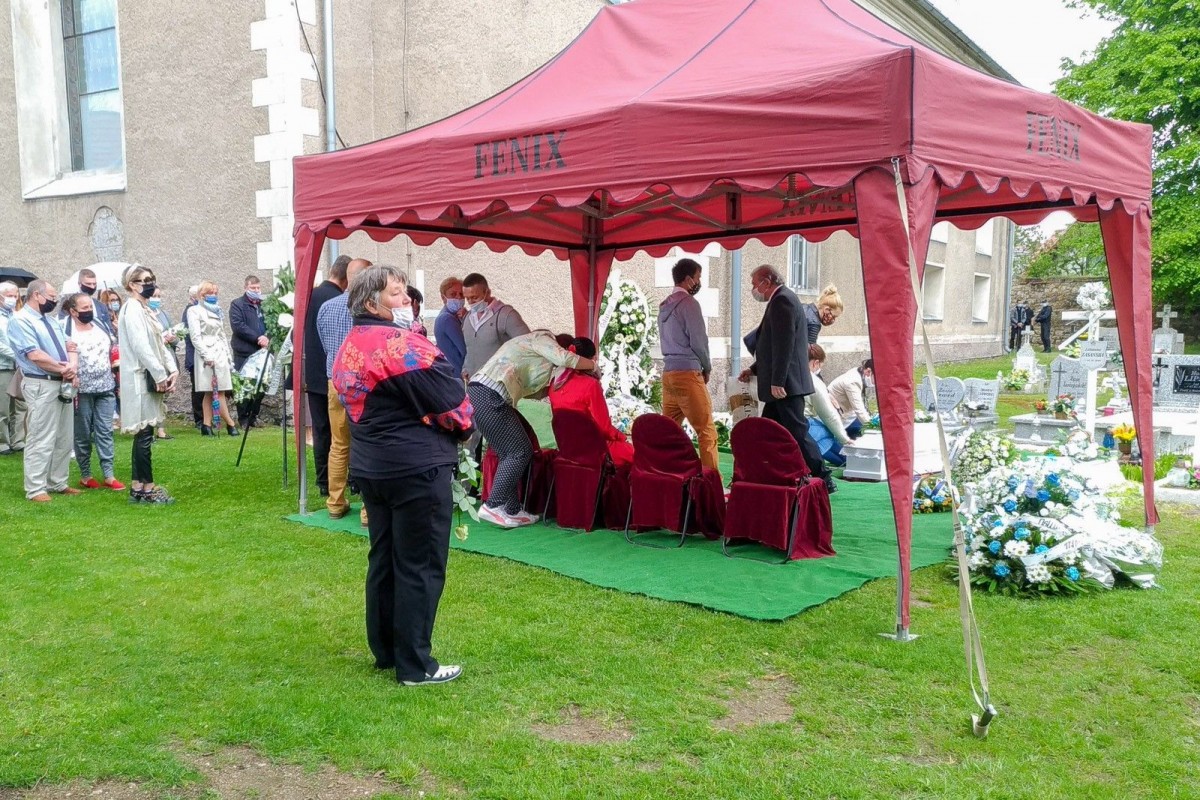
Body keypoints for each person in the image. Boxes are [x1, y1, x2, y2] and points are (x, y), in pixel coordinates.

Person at [330, 264, 474, 686]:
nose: (407, 300)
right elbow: (453, 405)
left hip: (374, 468)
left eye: (406, 293)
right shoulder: (401, 346)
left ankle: (388, 651)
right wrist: (463, 427)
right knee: (420, 564)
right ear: (372, 302)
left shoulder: (350, 343)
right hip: (415, 468)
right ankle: (416, 664)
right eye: (396, 294)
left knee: (385, 559)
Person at [468, 330, 593, 528]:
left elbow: (534, 391)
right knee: (521, 450)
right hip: (490, 394)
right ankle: (493, 505)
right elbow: (566, 358)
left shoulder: (537, 358)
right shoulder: (541, 339)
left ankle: (512, 509)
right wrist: (594, 366)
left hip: (482, 393)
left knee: (507, 452)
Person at [737, 265, 830, 488]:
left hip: (785, 385)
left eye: (754, 284)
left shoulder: (782, 300)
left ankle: (822, 477)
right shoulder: (782, 299)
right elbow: (772, 345)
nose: (754, 289)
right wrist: (755, 369)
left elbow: (784, 344)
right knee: (769, 431)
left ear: (766, 282)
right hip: (781, 384)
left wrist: (777, 380)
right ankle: (771, 471)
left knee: (797, 432)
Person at [6, 279, 80, 502]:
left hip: (61, 381)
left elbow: (71, 346)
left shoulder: (51, 320)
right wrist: (63, 368)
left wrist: (71, 367)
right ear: (36, 295)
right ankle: (36, 488)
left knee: (63, 436)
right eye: (51, 296)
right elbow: (34, 354)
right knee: (41, 436)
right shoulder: (20, 320)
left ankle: (57, 481)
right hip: (41, 382)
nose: (55, 300)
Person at [317, 257, 372, 522]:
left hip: (334, 381)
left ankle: (335, 502)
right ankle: (367, 508)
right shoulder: (369, 308)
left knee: (339, 445)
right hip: (362, 383)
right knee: (367, 443)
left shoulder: (327, 307)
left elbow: (324, 342)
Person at [117, 265, 178, 504]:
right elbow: (141, 345)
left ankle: (138, 487)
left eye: (152, 279)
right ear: (132, 284)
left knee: (144, 434)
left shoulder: (144, 309)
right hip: (139, 377)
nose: (150, 283)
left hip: (148, 375)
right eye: (145, 280)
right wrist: (159, 374)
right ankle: (148, 488)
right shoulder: (131, 309)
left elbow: (159, 343)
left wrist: (170, 368)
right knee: (144, 435)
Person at [657, 257, 719, 470]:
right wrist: (707, 366)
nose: (698, 282)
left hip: (668, 374)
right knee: (706, 431)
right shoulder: (690, 304)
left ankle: (664, 472)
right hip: (688, 372)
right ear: (688, 280)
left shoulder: (664, 305)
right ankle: (712, 484)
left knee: (669, 430)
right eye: (698, 277)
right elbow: (699, 341)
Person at [63, 293, 123, 490]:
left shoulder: (99, 324)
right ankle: (86, 474)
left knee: (105, 430)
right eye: (84, 308)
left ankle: (109, 474)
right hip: (81, 390)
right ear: (73, 311)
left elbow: (111, 347)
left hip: (105, 386)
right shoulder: (65, 328)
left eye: (90, 306)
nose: (89, 310)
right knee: (82, 433)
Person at [304, 255, 351, 497]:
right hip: (337, 372)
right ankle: (348, 479)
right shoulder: (341, 301)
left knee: (321, 428)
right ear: (346, 279)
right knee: (343, 432)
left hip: (312, 370)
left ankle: (324, 481)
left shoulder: (309, 295)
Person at [548, 337, 634, 468]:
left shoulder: (555, 384)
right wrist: (622, 436)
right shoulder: (590, 385)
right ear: (591, 360)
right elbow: (604, 428)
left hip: (567, 448)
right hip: (593, 448)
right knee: (636, 454)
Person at [186, 281, 239, 436]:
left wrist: (228, 355)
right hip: (206, 354)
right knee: (217, 390)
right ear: (202, 295)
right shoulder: (194, 311)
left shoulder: (217, 310)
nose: (214, 296)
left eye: (216, 293)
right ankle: (230, 424)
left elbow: (222, 335)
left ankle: (206, 425)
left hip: (220, 353)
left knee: (213, 391)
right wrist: (206, 355)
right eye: (211, 293)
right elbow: (195, 337)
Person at [460, 273, 530, 379]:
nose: (471, 302)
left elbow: (528, 345)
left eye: (474, 297)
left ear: (487, 292)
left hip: (498, 383)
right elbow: (470, 348)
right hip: (473, 383)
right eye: (467, 298)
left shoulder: (507, 315)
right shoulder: (468, 317)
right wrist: (466, 368)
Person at [803, 344, 851, 473]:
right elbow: (829, 415)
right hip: (805, 423)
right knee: (826, 432)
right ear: (816, 363)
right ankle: (846, 460)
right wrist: (844, 439)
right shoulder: (814, 381)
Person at [230, 274, 268, 423]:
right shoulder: (237, 304)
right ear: (246, 288)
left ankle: (254, 416)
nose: (256, 290)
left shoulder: (263, 304)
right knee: (244, 385)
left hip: (261, 351)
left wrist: (267, 336)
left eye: (258, 288)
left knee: (260, 385)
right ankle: (243, 417)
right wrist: (257, 338)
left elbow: (272, 322)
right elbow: (238, 326)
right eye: (253, 288)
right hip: (244, 351)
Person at [0, 280, 28, 456]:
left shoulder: (17, 315)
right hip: (3, 367)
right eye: (9, 295)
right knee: (3, 407)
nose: (13, 298)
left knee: (21, 405)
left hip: (20, 366)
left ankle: (18, 440)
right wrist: (16, 355)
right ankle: (3, 442)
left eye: (15, 295)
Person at [150, 286, 179, 440]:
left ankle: (161, 430)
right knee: (152, 395)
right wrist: (161, 339)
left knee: (163, 397)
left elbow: (175, 336)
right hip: (154, 359)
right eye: (154, 296)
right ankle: (148, 429)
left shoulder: (164, 315)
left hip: (168, 357)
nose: (157, 299)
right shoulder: (145, 315)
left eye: (159, 296)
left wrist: (173, 338)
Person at [827, 358, 875, 439]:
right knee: (864, 435)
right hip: (835, 417)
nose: (876, 382)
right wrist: (874, 428)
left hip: (848, 415)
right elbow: (859, 410)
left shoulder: (858, 373)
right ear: (868, 371)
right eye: (876, 378)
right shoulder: (853, 381)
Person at [433, 277, 467, 376]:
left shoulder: (453, 316)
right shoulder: (447, 319)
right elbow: (465, 349)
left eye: (461, 294)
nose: (458, 297)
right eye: (453, 294)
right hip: (457, 374)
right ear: (443, 298)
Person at [182, 285, 204, 429]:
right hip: (194, 355)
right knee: (197, 389)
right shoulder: (189, 311)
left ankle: (207, 416)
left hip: (205, 354)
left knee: (205, 388)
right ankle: (199, 419)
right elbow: (190, 335)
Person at [76, 268, 114, 334]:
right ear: (79, 284)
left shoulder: (101, 306)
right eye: (88, 284)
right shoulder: (70, 304)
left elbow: (109, 328)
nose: (92, 287)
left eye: (94, 284)